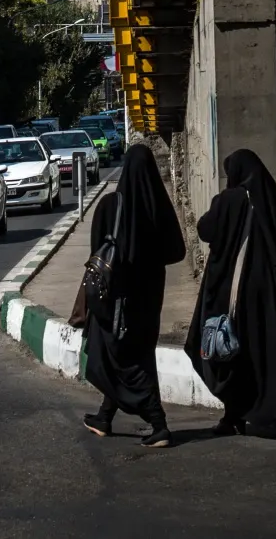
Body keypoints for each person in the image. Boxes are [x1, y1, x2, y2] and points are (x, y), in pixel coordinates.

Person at [186, 149, 276, 440]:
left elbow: (205, 229)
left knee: (232, 355)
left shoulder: (229, 200)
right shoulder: (272, 197)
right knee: (274, 354)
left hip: (236, 294)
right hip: (270, 293)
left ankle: (237, 414)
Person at [80, 143, 185, 447]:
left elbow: (97, 249)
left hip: (117, 301)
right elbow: (177, 251)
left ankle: (159, 424)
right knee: (133, 353)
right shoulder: (159, 207)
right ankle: (104, 417)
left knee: (126, 359)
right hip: (149, 299)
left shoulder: (111, 206)